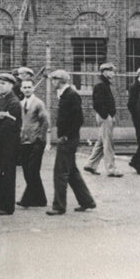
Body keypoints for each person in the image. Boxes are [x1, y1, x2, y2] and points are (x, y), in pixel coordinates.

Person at [46, 70, 96, 215]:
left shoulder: (70, 95)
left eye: (54, 80)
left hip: (68, 139)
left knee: (60, 172)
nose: (52, 82)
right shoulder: (66, 94)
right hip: (69, 138)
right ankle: (87, 201)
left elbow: (78, 119)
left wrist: (66, 135)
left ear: (60, 80)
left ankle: (59, 206)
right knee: (72, 171)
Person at [0, 73, 23, 215]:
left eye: (4, 83)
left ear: (11, 85)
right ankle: (2, 202)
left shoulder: (13, 102)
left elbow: (9, 126)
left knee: (7, 174)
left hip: (8, 143)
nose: (0, 86)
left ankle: (7, 206)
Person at [85, 62, 122, 177]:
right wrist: (106, 116)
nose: (113, 73)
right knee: (108, 143)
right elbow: (97, 104)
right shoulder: (100, 85)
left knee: (102, 141)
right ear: (105, 72)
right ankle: (111, 169)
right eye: (111, 71)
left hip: (106, 117)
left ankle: (90, 164)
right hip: (105, 118)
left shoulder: (104, 84)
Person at [17, 77, 49, 208]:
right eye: (24, 87)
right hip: (24, 142)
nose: (27, 89)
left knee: (33, 171)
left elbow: (45, 122)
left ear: (33, 88)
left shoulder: (38, 103)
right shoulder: (20, 103)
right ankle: (41, 199)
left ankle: (26, 200)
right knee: (26, 171)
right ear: (21, 89)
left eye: (29, 87)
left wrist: (41, 139)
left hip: (36, 142)